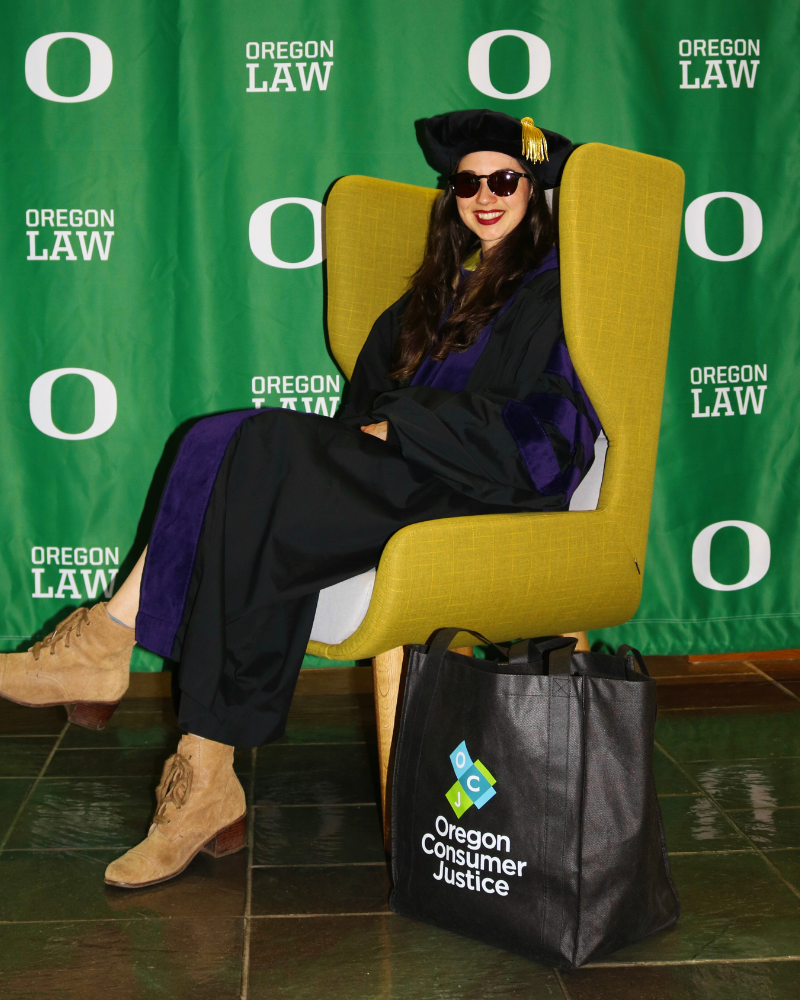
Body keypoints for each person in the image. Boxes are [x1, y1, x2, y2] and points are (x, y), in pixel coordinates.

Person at [0, 110, 601, 888]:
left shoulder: (554, 294)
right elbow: (361, 416)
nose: (484, 196)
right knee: (222, 442)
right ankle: (201, 772)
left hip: (478, 492)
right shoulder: (431, 295)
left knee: (261, 450)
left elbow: (551, 442)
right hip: (394, 484)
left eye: (505, 180)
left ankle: (110, 646)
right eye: (466, 182)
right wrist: (379, 434)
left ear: (535, 190)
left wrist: (409, 424)